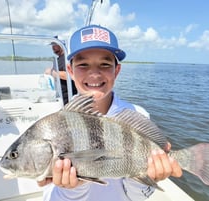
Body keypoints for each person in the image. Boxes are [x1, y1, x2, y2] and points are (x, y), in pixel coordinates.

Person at [39, 24, 182, 200]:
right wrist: (73, 188)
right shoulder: (52, 126)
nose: (94, 73)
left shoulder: (137, 115)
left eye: (105, 64)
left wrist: (147, 177)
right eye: (83, 64)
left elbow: (136, 197)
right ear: (70, 71)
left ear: (117, 70)